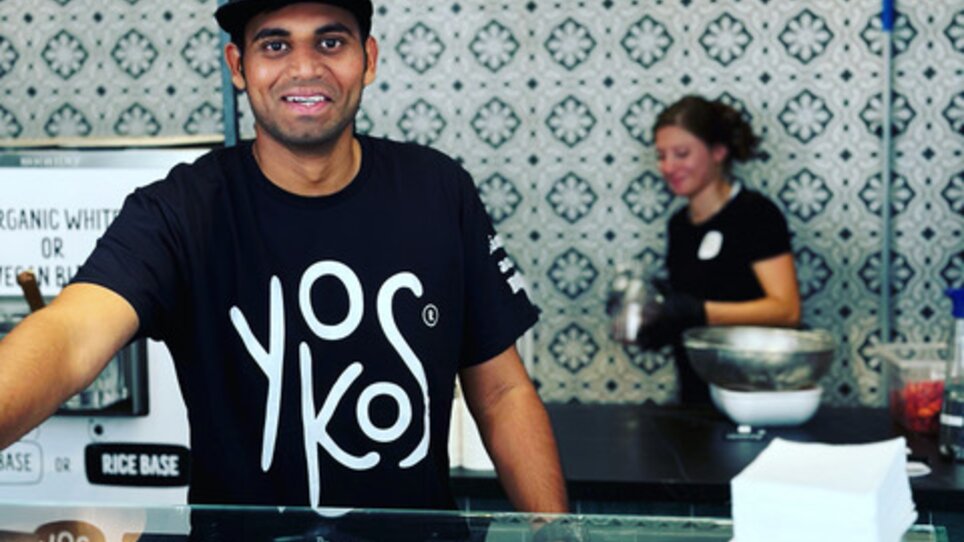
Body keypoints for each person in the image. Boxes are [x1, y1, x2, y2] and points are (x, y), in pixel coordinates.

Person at [0, 0, 568, 517]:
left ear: (367, 59)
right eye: (274, 45)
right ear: (238, 66)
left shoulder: (438, 190)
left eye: (330, 42)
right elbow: (70, 336)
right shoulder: (179, 211)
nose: (303, 68)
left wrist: (555, 533)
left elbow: (502, 393)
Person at [639, 95, 801, 404]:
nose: (668, 166)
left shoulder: (755, 214)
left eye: (681, 154)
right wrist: (660, 323)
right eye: (661, 155)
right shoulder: (679, 225)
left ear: (718, 152)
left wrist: (698, 312)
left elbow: (787, 310)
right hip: (696, 396)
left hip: (754, 395)